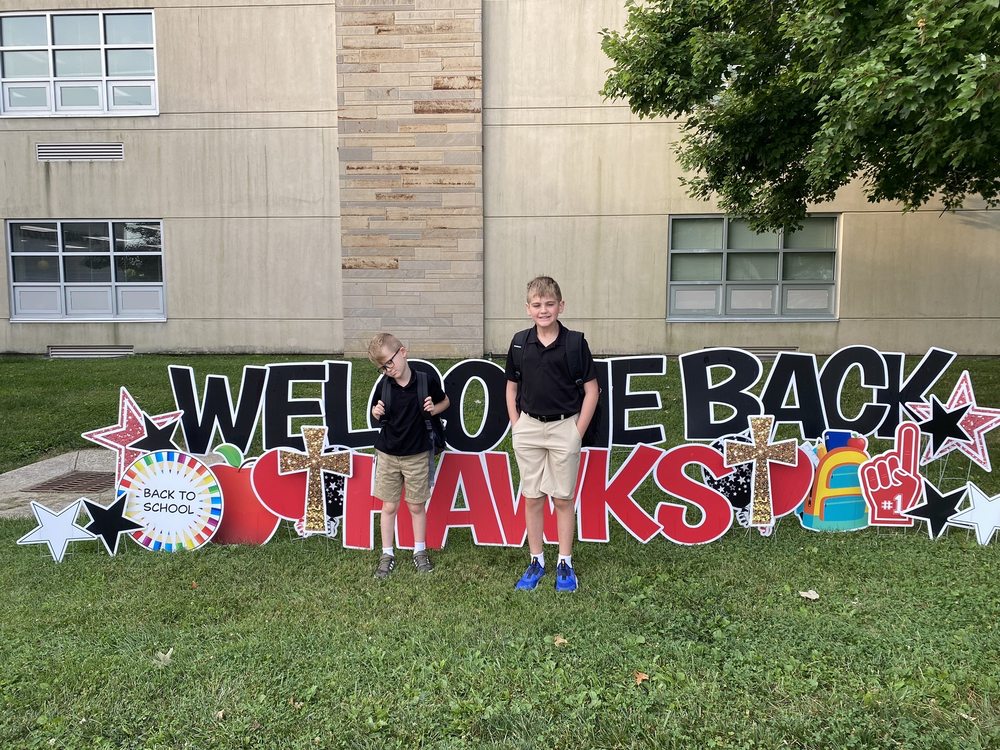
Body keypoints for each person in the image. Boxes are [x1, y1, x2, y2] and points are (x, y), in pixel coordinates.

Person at [505, 276, 599, 592]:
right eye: (537, 305)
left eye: (549, 304)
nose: (543, 310)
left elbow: (592, 390)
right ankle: (536, 560)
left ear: (561, 306)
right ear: (528, 308)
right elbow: (511, 387)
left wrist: (577, 432)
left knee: (562, 498)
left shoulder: (574, 344)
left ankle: (564, 562)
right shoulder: (520, 343)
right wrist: (517, 424)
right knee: (532, 497)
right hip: (529, 428)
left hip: (564, 427)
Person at [368, 332, 450, 579]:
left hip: (417, 454)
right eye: (383, 368)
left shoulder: (426, 381)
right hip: (388, 454)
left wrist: (434, 409)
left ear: (402, 352)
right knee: (389, 505)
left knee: (416, 505)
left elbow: (445, 402)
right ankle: (387, 553)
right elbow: (376, 412)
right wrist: (376, 411)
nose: (388, 370)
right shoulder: (384, 386)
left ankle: (420, 551)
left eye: (389, 362)